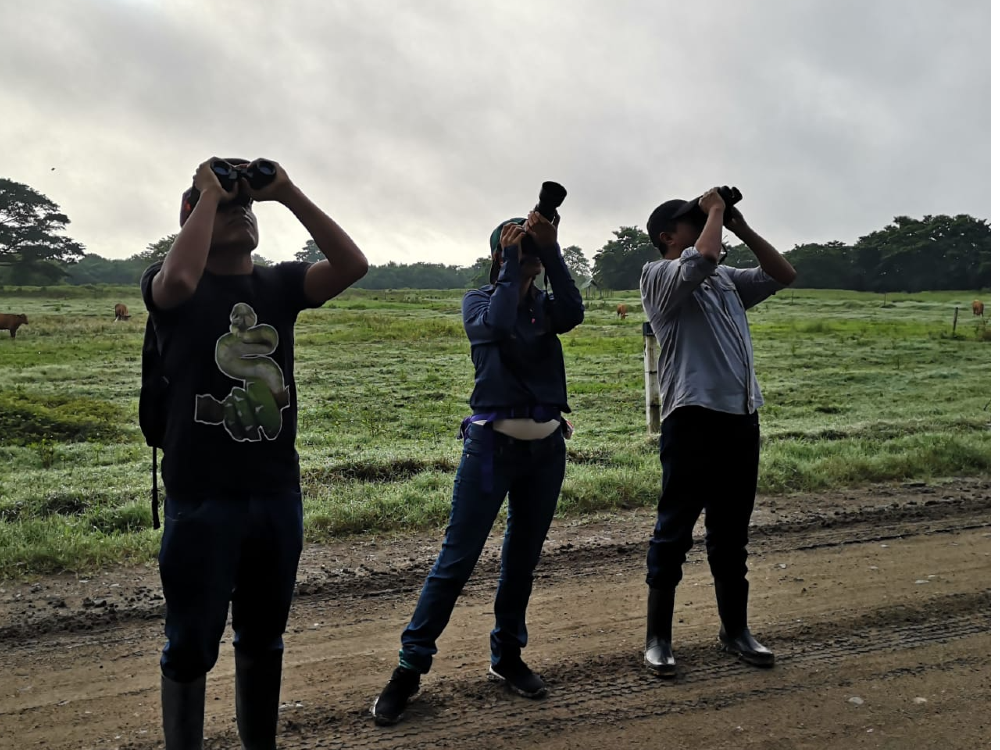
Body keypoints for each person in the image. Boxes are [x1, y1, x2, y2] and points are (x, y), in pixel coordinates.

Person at [142, 157, 368, 749]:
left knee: (264, 638)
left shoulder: (277, 285)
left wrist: (287, 192)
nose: (239, 211)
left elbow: (352, 265)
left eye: (246, 207)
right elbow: (180, 283)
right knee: (190, 645)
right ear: (192, 218)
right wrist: (208, 194)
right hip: (200, 499)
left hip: (275, 493)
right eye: (223, 207)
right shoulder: (168, 284)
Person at [371, 209, 585, 725]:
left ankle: (507, 657)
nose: (528, 254)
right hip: (491, 450)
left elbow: (574, 312)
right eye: (518, 246)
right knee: (456, 562)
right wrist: (511, 265)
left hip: (545, 451)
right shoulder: (481, 301)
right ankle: (408, 670)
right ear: (497, 256)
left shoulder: (545, 309)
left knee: (521, 562)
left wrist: (549, 250)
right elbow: (494, 326)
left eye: (531, 248)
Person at [639, 187, 796, 677]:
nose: (709, 221)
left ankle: (735, 630)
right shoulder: (659, 275)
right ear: (668, 237)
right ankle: (658, 639)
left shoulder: (725, 278)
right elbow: (702, 255)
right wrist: (714, 211)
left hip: (740, 417)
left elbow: (783, 274)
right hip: (692, 419)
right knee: (674, 532)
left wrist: (740, 227)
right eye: (695, 219)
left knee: (731, 532)